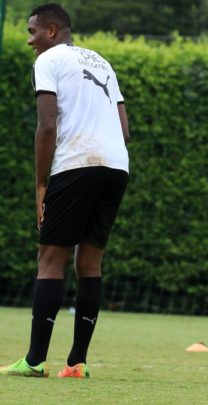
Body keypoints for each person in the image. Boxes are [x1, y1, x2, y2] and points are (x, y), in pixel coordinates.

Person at [0, 3, 129, 379]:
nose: (29, 41)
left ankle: (35, 361)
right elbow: (124, 129)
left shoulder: (49, 60)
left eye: (32, 31)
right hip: (116, 166)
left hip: (77, 164)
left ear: (52, 31)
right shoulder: (102, 62)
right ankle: (76, 363)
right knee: (90, 263)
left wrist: (41, 183)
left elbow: (47, 125)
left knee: (50, 259)